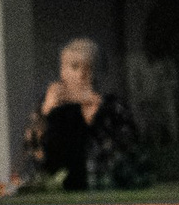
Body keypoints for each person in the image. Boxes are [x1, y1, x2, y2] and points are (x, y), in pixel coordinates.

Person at [20, 37, 150, 192]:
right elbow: (32, 160)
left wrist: (94, 111)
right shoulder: (50, 105)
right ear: (63, 72)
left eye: (90, 68)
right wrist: (46, 113)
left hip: (105, 188)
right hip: (60, 194)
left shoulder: (113, 106)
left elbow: (127, 155)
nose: (82, 75)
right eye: (74, 67)